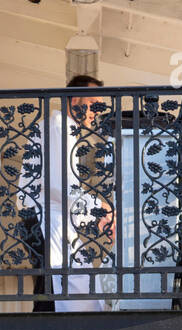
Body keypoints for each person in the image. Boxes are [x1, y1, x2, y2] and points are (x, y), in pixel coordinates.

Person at [17, 75, 114, 314]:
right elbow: (65, 185)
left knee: (71, 284)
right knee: (51, 292)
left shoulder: (65, 130)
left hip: (54, 220)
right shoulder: (58, 127)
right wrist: (101, 210)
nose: (96, 111)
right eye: (93, 103)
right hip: (43, 221)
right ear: (73, 99)